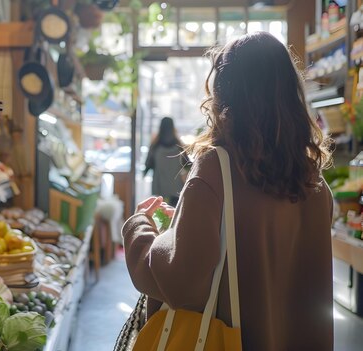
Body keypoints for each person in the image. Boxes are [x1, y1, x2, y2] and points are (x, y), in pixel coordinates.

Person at [123, 32, 334, 350]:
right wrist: (184, 224)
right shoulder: (314, 182)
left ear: (224, 91)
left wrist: (140, 228)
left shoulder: (216, 167)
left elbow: (181, 283)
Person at [143, 117, 187, 206]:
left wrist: (143, 174)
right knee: (173, 214)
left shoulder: (155, 145)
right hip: (176, 187)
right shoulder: (179, 145)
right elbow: (187, 164)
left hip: (159, 188)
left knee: (160, 215)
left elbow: (148, 164)